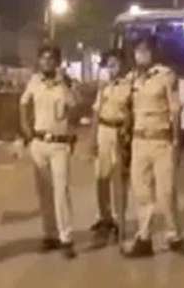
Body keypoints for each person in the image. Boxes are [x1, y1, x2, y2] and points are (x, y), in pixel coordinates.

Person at [123, 36, 184, 258]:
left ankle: (174, 236)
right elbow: (124, 108)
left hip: (162, 141)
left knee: (166, 192)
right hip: (139, 142)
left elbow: (175, 111)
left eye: (145, 50)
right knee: (141, 192)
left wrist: (177, 142)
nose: (141, 54)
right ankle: (144, 238)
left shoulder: (166, 76)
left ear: (154, 53)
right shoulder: (131, 79)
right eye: (138, 50)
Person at [19, 44, 78, 259]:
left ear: (57, 62)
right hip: (39, 141)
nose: (46, 62)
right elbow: (23, 103)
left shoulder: (65, 83)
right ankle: (49, 234)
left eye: (51, 58)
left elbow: (75, 108)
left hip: (59, 143)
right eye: (43, 58)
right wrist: (25, 127)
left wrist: (71, 132)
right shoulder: (34, 81)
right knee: (44, 191)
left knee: (61, 191)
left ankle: (66, 237)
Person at [88, 49, 132, 247]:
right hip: (104, 132)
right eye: (110, 64)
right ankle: (104, 219)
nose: (112, 67)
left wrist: (128, 134)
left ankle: (119, 221)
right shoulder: (104, 87)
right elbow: (96, 113)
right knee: (101, 178)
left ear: (123, 65)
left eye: (116, 63)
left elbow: (132, 112)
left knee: (120, 180)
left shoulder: (130, 87)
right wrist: (92, 139)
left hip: (120, 133)